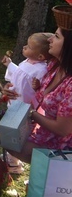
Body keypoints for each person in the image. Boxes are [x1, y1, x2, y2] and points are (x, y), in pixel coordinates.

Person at [9, 24, 72, 163]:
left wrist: (31, 113)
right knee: (3, 134)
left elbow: (62, 130)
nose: (50, 39)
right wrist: (12, 88)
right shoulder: (55, 65)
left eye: (56, 36)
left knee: (7, 139)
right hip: (46, 131)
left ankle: (49, 178)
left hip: (64, 146)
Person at [0, 32, 52, 172]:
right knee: (12, 129)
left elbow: (42, 89)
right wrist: (10, 65)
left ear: (40, 56)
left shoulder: (41, 70)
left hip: (25, 106)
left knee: (20, 132)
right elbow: (20, 73)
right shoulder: (27, 62)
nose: (24, 47)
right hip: (15, 100)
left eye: (28, 46)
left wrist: (37, 87)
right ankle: (12, 158)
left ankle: (13, 163)